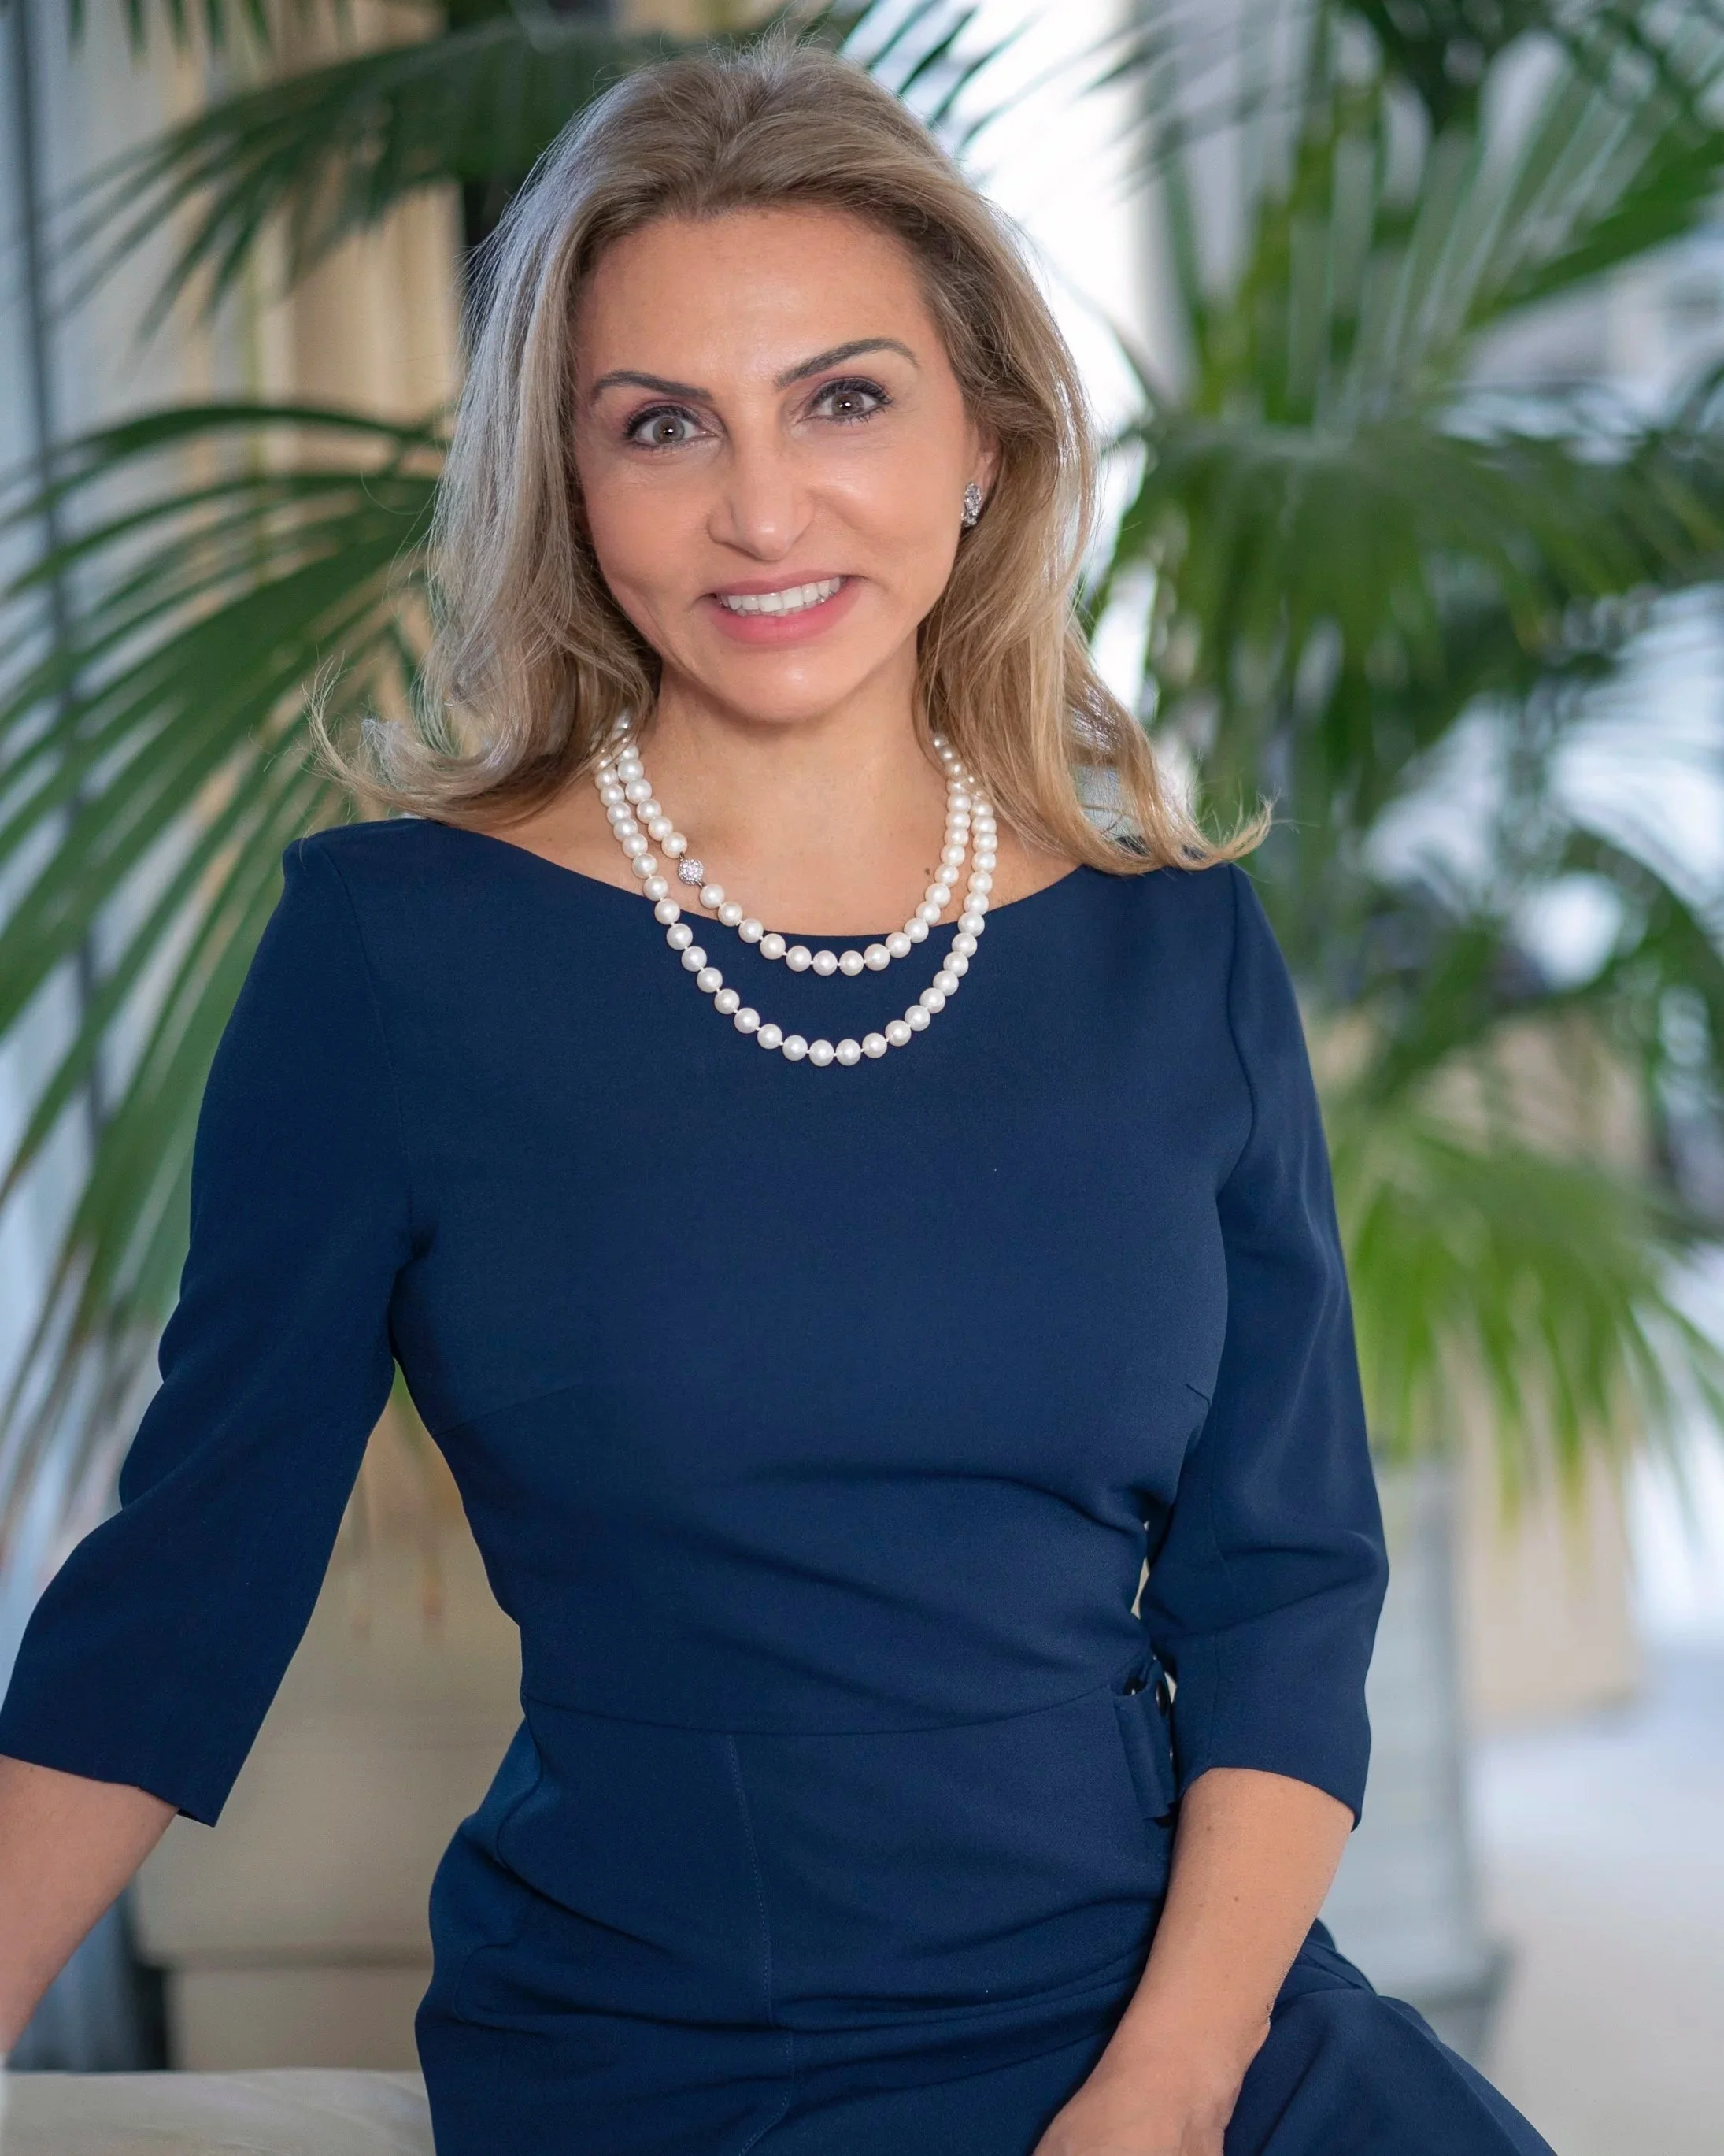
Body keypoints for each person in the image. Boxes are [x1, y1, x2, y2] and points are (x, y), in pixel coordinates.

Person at [0, 39, 1554, 2156]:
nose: (758, 510)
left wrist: (1168, 2089)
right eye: (662, 425)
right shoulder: (396, 957)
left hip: (1183, 2031)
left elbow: (1283, 1589)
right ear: (567, 483)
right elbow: (185, 1585)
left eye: (843, 400)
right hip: (675, 2051)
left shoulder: (1176, 950)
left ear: (985, 438)